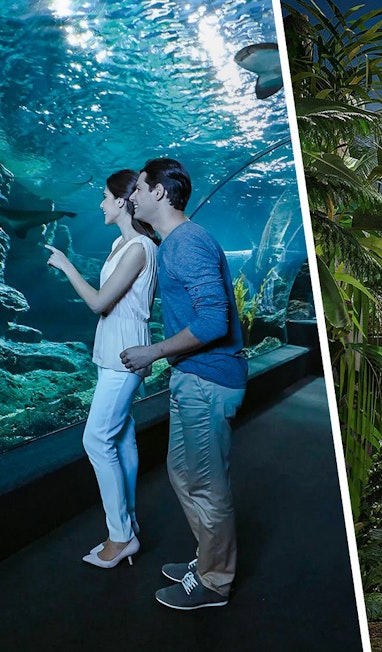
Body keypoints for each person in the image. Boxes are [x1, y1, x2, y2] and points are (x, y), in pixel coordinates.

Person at [120, 158, 248, 610]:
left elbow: (214, 320)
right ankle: (209, 558)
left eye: (137, 188)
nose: (131, 196)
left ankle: (215, 582)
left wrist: (153, 351)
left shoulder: (186, 243)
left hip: (207, 381)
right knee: (183, 475)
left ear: (158, 192)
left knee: (206, 485)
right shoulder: (175, 242)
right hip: (193, 377)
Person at [45, 169, 158, 568]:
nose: (101, 204)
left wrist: (66, 265)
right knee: (122, 436)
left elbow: (99, 303)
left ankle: (120, 536)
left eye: (107, 197)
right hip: (109, 351)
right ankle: (128, 525)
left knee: (96, 441)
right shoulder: (118, 244)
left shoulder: (140, 248)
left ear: (125, 201)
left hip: (125, 356)